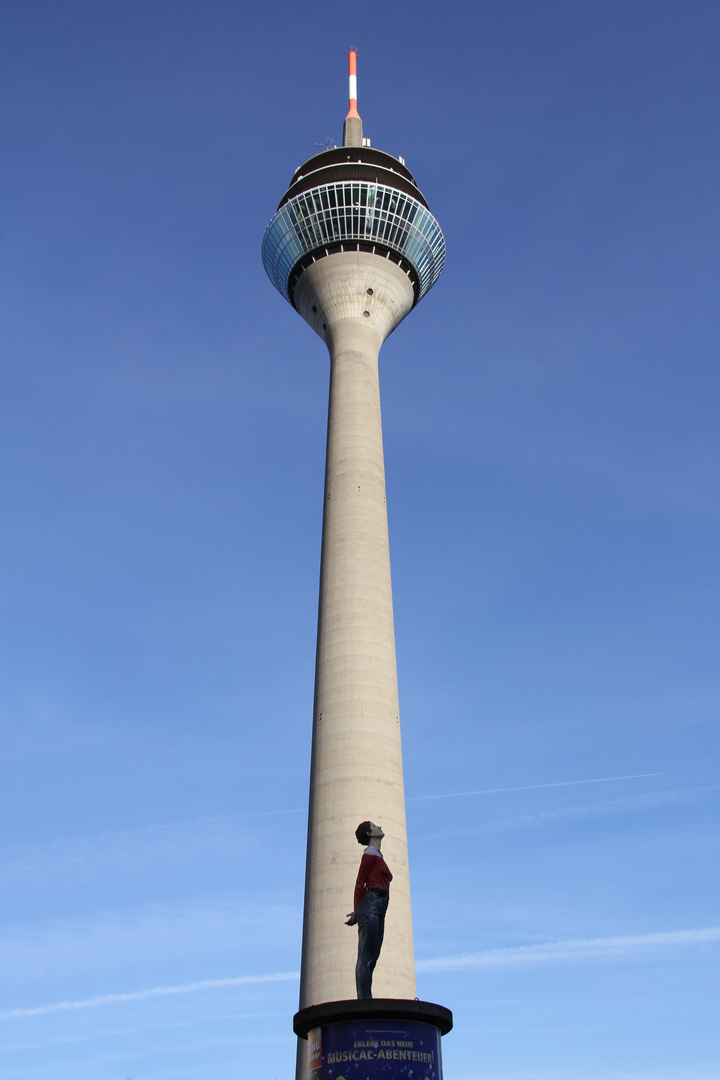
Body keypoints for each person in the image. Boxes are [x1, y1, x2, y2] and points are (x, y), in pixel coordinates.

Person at [345, 820, 392, 999]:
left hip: (380, 904)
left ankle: (366, 996)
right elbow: (360, 882)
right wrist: (357, 909)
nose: (380, 826)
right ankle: (364, 999)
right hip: (371, 902)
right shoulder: (369, 855)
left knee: (374, 952)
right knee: (366, 952)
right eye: (375, 825)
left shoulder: (377, 856)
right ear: (371, 833)